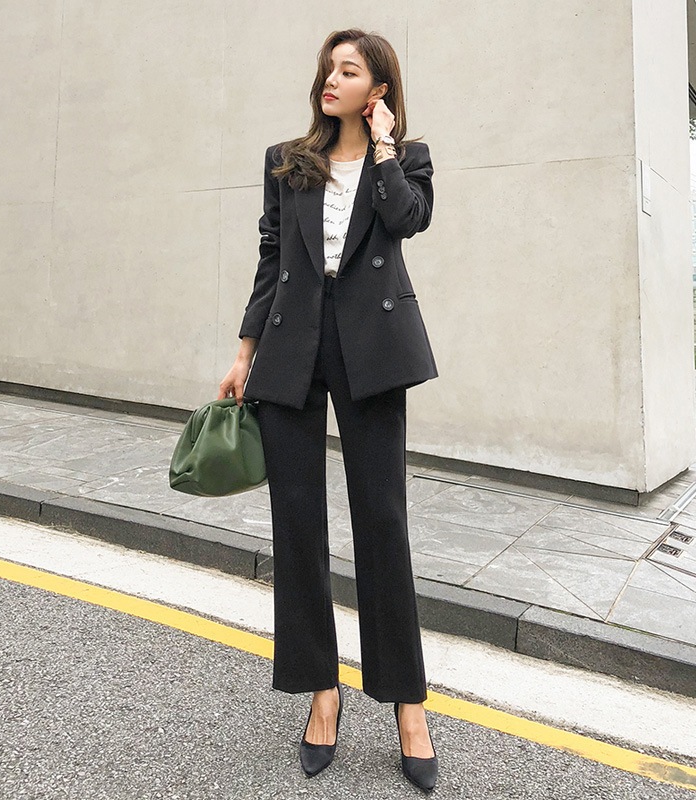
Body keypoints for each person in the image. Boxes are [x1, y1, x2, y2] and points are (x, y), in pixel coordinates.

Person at [218, 27, 440, 793]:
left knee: (382, 522)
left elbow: (407, 219)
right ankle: (322, 693)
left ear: (378, 90)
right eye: (328, 68)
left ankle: (408, 706)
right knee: (297, 527)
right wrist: (244, 353)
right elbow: (272, 258)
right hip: (292, 349)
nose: (331, 79)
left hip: (372, 352)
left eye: (349, 70)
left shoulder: (406, 158)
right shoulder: (289, 161)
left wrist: (382, 147)